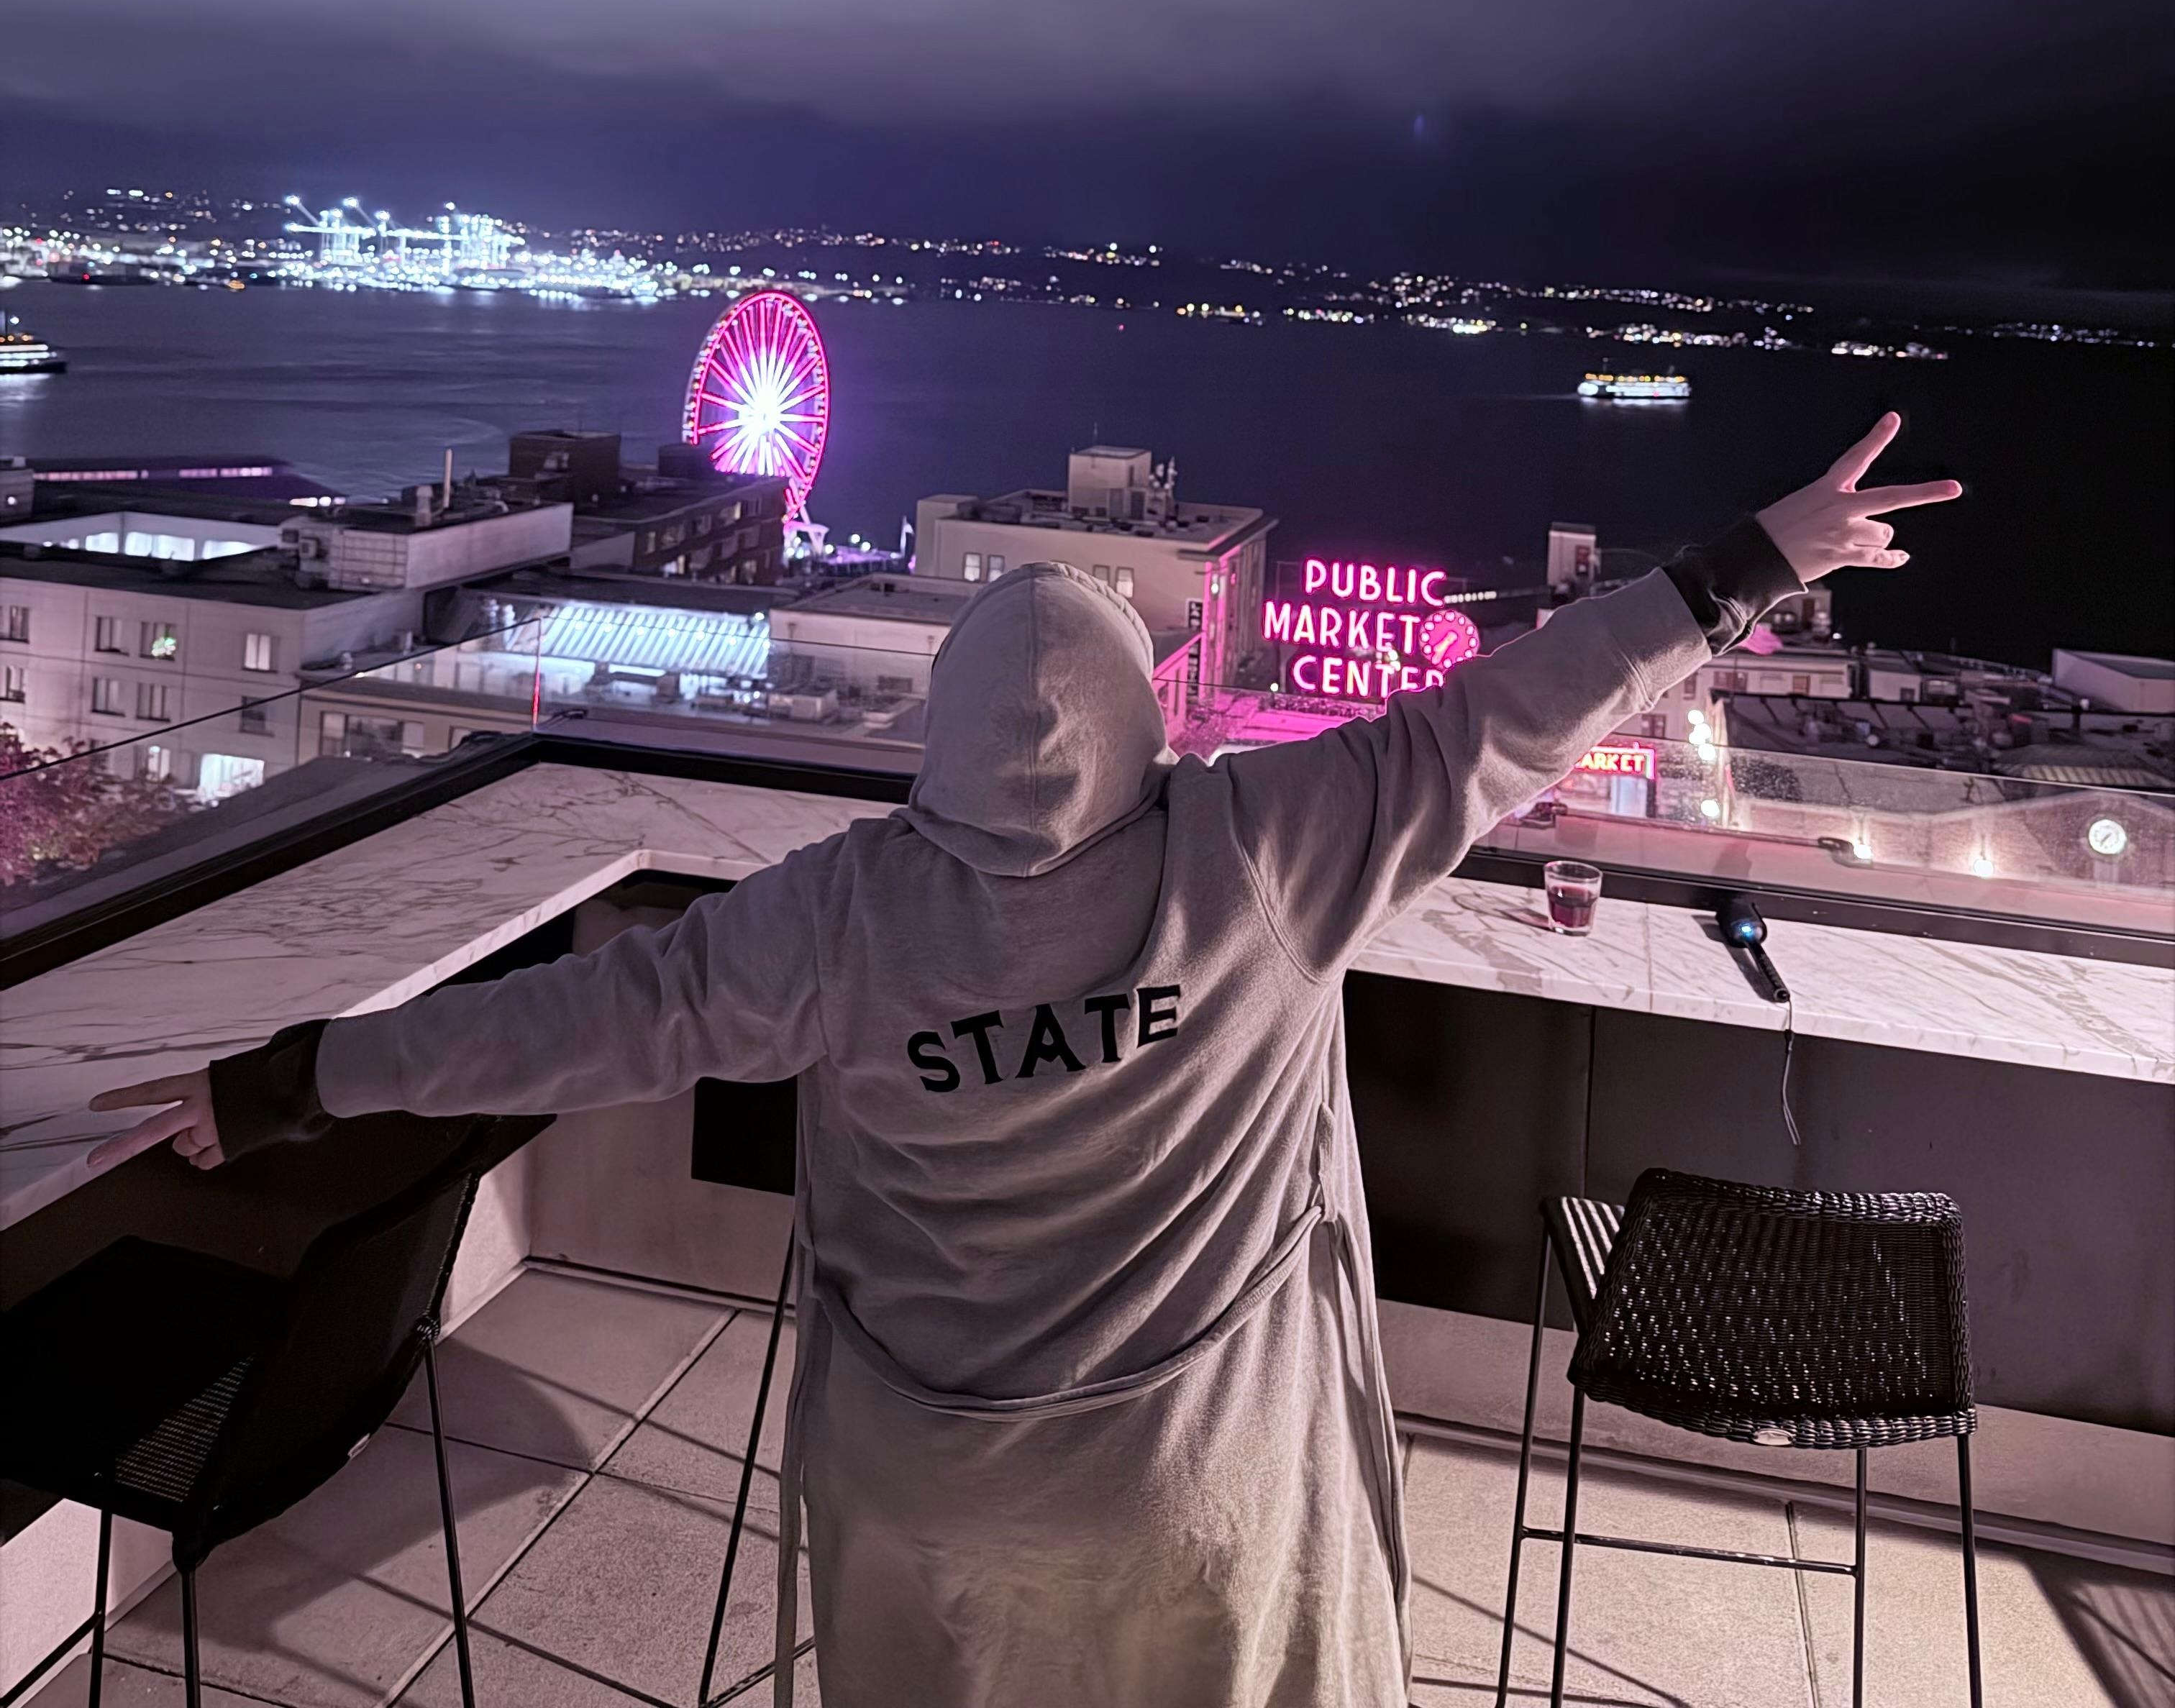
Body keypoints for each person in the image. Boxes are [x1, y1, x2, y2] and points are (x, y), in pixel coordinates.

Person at [92, 415, 1959, 1708]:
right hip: (1205, 1476)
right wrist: (1754, 563)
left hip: (935, 1488)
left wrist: (280, 1086)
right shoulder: (1269, 847)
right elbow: (1516, 709)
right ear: (1143, 721)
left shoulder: (835, 915)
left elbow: (560, 1023)